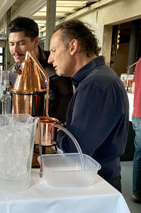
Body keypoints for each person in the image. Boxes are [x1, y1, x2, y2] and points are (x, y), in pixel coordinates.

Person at [48, 20, 129, 192]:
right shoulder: (95, 78)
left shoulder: (96, 84)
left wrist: (49, 131)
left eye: (54, 51)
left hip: (99, 183)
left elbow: (77, 150)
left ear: (73, 47)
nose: (50, 58)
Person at [0, 17, 73, 124]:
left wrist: (51, 131)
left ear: (35, 41)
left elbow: (67, 102)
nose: (15, 50)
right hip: (25, 131)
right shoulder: (13, 72)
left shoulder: (55, 63)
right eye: (12, 44)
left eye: (21, 43)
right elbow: (11, 105)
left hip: (52, 132)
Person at [131, 57, 141, 203]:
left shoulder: (139, 61)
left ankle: (136, 193)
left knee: (139, 154)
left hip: (137, 115)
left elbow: (133, 88)